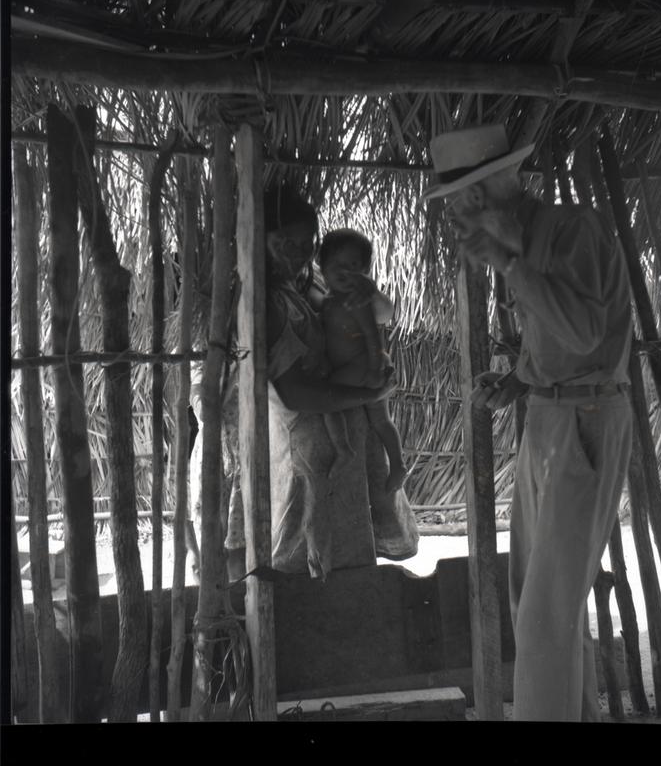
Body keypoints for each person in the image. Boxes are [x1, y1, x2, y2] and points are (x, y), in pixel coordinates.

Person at [422, 124, 633, 722]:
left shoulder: (574, 232)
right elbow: (555, 342)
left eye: (463, 198)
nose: (459, 213)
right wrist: (519, 379)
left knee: (545, 614)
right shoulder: (520, 243)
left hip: (586, 417)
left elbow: (587, 334)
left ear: (492, 188)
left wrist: (513, 266)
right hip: (547, 416)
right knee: (538, 603)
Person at [220, 184, 419, 581]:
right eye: (285, 243)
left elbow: (375, 315)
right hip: (304, 453)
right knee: (305, 564)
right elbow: (296, 393)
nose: (297, 255)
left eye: (307, 246)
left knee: (341, 567)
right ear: (259, 238)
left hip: (330, 446)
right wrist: (369, 393)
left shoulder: (298, 289)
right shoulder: (264, 304)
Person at [317, 228, 408, 492]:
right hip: (360, 364)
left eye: (355, 266)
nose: (347, 272)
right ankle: (398, 464)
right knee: (381, 420)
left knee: (326, 398)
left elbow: (372, 335)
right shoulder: (328, 301)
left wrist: (373, 368)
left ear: (366, 271)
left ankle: (343, 449)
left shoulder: (355, 301)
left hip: (365, 363)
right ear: (321, 267)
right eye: (339, 266)